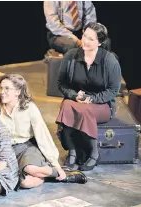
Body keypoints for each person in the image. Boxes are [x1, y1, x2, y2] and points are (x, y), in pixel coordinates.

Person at [0, 74, 87, 189]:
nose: (2, 92)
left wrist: (56, 164)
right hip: (7, 150)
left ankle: (61, 174)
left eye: (6, 88)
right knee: (25, 183)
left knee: (29, 169)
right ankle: (49, 175)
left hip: (26, 147)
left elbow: (42, 136)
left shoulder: (30, 108)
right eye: (1, 88)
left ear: (18, 91)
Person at [56, 22, 122, 171]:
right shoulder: (71, 56)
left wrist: (92, 99)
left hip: (102, 105)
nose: (85, 41)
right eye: (85, 36)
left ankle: (94, 153)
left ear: (100, 42)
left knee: (85, 111)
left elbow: (113, 90)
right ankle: (72, 152)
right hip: (76, 100)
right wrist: (73, 95)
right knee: (66, 105)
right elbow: (61, 83)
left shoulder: (109, 61)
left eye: (91, 39)